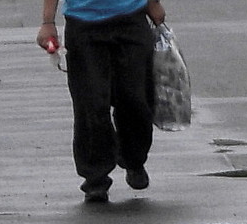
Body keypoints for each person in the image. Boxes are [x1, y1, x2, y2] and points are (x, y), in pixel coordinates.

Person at [37, 0, 166, 203]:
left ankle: (134, 159)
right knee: (91, 103)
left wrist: (153, 3)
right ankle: (95, 177)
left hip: (131, 19)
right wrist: (47, 22)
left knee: (135, 98)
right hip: (83, 24)